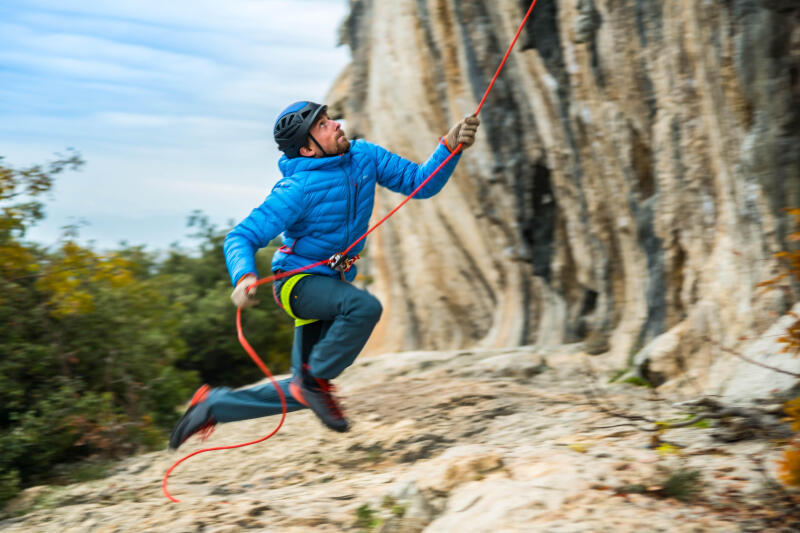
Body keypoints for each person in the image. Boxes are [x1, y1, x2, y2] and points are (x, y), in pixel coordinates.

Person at [169, 101, 479, 449]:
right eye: (322, 125)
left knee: (302, 389)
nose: (335, 125)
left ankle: (213, 406)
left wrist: (450, 146)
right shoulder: (297, 189)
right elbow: (241, 236)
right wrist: (243, 276)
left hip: (331, 283)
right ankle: (315, 381)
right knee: (363, 309)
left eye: (329, 119)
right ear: (306, 148)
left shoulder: (365, 156)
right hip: (297, 285)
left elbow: (420, 183)